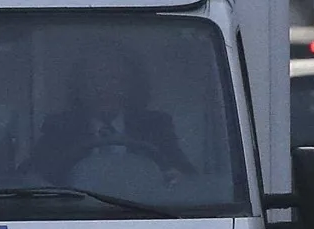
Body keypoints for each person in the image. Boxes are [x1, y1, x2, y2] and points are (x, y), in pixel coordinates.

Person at [30, 45, 192, 183]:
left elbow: (186, 175)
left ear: (130, 85)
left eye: (113, 79)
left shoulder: (155, 125)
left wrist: (178, 177)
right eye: (95, 79)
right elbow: (32, 177)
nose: (103, 88)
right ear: (79, 87)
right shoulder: (59, 128)